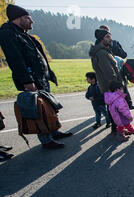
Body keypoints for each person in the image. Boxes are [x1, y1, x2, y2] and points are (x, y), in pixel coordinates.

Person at [0, 4, 72, 149]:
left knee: (49, 108)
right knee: (39, 110)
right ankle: (46, 139)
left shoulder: (23, 33)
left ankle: (54, 130)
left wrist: (49, 73)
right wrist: (27, 81)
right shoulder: (9, 34)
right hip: (32, 80)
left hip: (41, 78)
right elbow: (16, 60)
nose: (32, 21)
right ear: (18, 18)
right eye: (28, 18)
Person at [89, 28, 124, 135]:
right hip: (111, 86)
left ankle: (116, 129)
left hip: (108, 86)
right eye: (107, 37)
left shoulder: (103, 51)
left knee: (112, 109)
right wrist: (118, 86)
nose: (110, 39)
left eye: (110, 36)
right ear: (101, 39)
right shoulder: (102, 53)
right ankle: (118, 131)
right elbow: (109, 72)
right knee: (116, 110)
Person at [97, 25, 134, 110]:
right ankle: (112, 108)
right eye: (101, 31)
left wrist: (114, 47)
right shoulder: (97, 45)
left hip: (118, 68)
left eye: (105, 32)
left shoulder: (115, 43)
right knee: (109, 89)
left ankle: (128, 104)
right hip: (105, 70)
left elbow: (124, 55)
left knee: (123, 86)